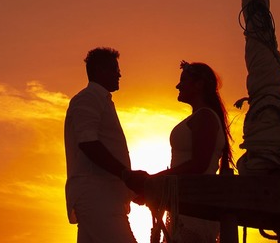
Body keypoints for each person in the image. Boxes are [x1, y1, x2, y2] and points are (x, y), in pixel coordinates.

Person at [64, 47, 149, 243]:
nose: (119, 74)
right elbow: (88, 143)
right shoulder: (87, 99)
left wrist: (130, 188)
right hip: (97, 199)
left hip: (104, 198)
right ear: (100, 70)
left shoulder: (100, 100)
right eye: (114, 69)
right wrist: (126, 175)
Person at [156, 61, 233, 243]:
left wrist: (157, 179)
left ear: (199, 85)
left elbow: (199, 164)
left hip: (196, 205)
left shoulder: (205, 117)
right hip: (186, 204)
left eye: (184, 80)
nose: (178, 85)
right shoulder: (201, 116)